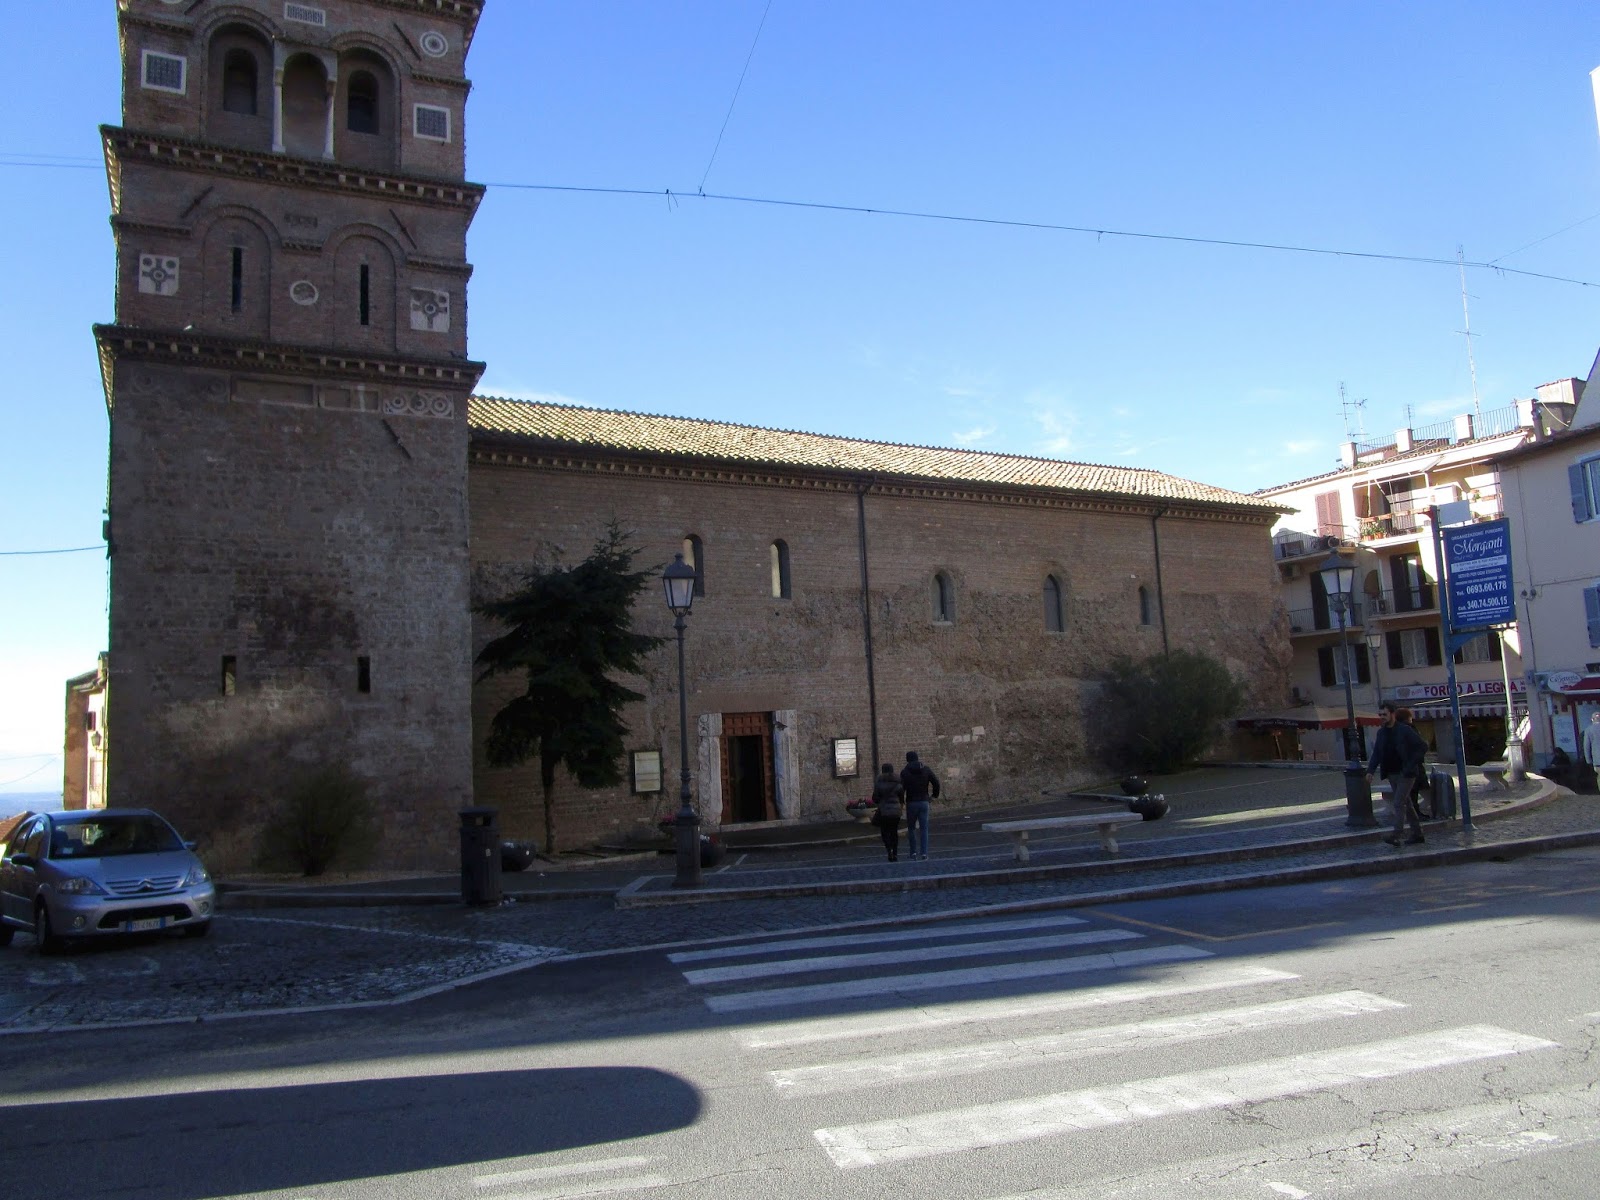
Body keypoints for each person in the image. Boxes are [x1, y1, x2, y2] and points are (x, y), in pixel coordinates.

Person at [1366, 703, 1427, 846]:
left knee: (1399, 802)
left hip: (1406, 773)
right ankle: (1417, 834)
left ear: (1392, 714)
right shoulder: (1381, 733)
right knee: (1407, 804)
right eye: (1380, 715)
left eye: (1384, 714)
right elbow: (1377, 753)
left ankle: (1396, 834)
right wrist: (1370, 771)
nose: (1382, 717)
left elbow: (1422, 746)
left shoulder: (1404, 730)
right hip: (1391, 773)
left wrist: (1411, 764)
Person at [900, 750, 940, 861]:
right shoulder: (926, 770)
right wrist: (933, 796)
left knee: (911, 828)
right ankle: (924, 853)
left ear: (907, 759)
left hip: (911, 802)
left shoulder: (905, 772)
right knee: (924, 828)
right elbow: (936, 782)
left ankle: (913, 853)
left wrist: (901, 801)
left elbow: (901, 789)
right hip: (924, 801)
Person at [870, 763, 904, 861]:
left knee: (885, 832)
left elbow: (875, 798)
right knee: (894, 832)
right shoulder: (898, 783)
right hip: (896, 812)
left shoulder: (879, 783)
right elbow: (901, 798)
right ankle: (896, 853)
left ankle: (889, 851)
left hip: (884, 811)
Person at [1583, 711, 1600, 792]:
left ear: (1592, 719)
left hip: (1597, 760)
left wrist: (1588, 760)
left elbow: (1586, 746)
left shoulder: (1588, 730)